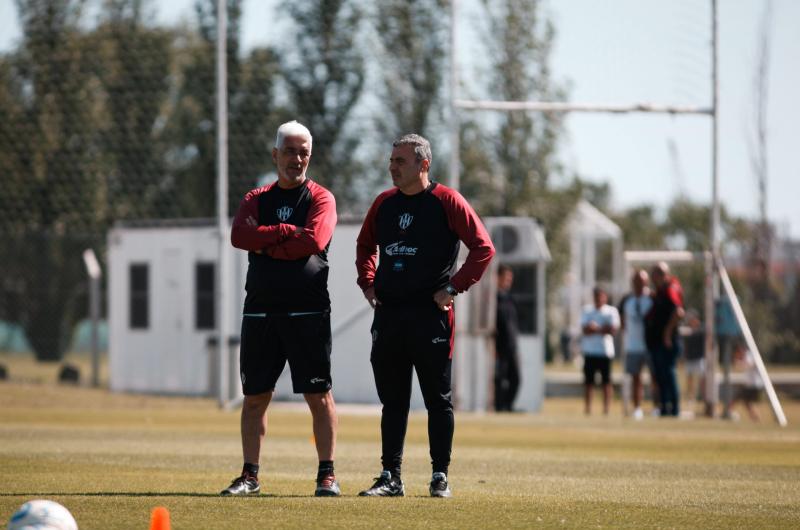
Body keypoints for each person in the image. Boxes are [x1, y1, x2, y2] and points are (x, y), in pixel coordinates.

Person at [355, 133, 495, 498]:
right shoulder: (383, 204)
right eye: (391, 161)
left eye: (400, 161)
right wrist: (368, 284)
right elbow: (365, 245)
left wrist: (453, 288)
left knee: (438, 399)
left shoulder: (447, 201)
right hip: (388, 317)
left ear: (424, 164)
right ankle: (390, 476)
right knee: (393, 401)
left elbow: (484, 248)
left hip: (430, 317)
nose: (392, 167)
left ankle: (440, 476)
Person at [223, 120, 340, 497]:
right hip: (260, 311)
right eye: (290, 151)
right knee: (256, 396)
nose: (297, 158)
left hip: (308, 312)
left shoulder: (321, 199)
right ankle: (250, 476)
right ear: (275, 155)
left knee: (318, 396)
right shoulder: (255, 198)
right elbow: (240, 236)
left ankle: (327, 475)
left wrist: (268, 241)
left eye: (304, 151)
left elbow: (314, 240)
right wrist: (285, 232)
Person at [645, 262, 685, 417]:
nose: (653, 279)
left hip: (667, 342)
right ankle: (664, 408)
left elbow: (679, 312)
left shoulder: (670, 290)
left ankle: (674, 409)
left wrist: (667, 333)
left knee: (668, 374)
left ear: (663, 275)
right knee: (660, 376)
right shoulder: (660, 291)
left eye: (655, 275)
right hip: (657, 342)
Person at [619, 269, 654, 420]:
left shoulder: (653, 298)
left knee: (655, 377)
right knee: (635, 378)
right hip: (633, 345)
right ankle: (637, 408)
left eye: (642, 281)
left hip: (651, 345)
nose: (639, 284)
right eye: (636, 281)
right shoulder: (627, 299)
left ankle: (657, 407)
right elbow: (621, 318)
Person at [580, 287, 620, 415]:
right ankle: (588, 409)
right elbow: (585, 330)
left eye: (600, 296)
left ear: (605, 297)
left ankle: (606, 410)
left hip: (605, 352)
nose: (598, 299)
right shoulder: (587, 310)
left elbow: (613, 330)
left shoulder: (611, 311)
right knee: (588, 382)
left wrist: (595, 329)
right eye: (596, 296)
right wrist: (602, 329)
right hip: (590, 352)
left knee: (606, 382)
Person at [494, 264, 521, 412]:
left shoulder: (510, 299)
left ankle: (508, 406)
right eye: (506, 277)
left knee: (516, 379)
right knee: (499, 379)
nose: (508, 281)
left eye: (510, 278)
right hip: (499, 347)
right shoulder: (493, 299)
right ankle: (499, 407)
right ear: (497, 277)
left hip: (512, 346)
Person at [731, 340, 763, 422]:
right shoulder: (746, 355)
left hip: (754, 384)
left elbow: (749, 365)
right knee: (746, 402)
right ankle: (755, 417)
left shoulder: (749, 355)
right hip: (750, 384)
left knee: (740, 399)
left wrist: (739, 363)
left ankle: (727, 412)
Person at [681, 309, 705, 416]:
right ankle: (691, 397)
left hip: (699, 358)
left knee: (702, 379)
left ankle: (702, 396)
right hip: (690, 358)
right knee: (689, 379)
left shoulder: (701, 329)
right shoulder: (687, 330)